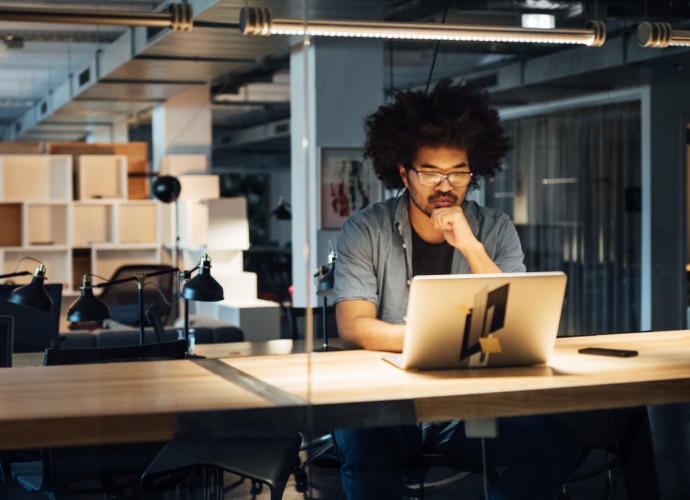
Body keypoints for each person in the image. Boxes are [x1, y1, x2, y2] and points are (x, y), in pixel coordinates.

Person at [332, 78, 579, 499]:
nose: (445, 186)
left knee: (556, 443)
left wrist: (469, 244)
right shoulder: (364, 229)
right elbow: (354, 326)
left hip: (468, 407)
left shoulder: (494, 229)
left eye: (458, 173)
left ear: (473, 173)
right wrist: (440, 340)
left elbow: (515, 318)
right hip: (390, 402)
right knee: (364, 441)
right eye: (430, 173)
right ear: (404, 173)